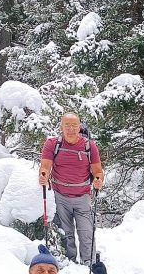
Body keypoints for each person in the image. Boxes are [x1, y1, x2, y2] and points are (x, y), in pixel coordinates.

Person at [38, 113, 105, 266]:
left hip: (82, 196)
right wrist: (43, 175)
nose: (71, 129)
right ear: (61, 127)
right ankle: (69, 263)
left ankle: (89, 263)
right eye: (67, 125)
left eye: (74, 126)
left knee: (86, 232)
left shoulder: (89, 146)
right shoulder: (52, 144)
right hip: (60, 196)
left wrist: (98, 179)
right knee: (66, 233)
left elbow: (97, 170)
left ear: (79, 127)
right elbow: (45, 165)